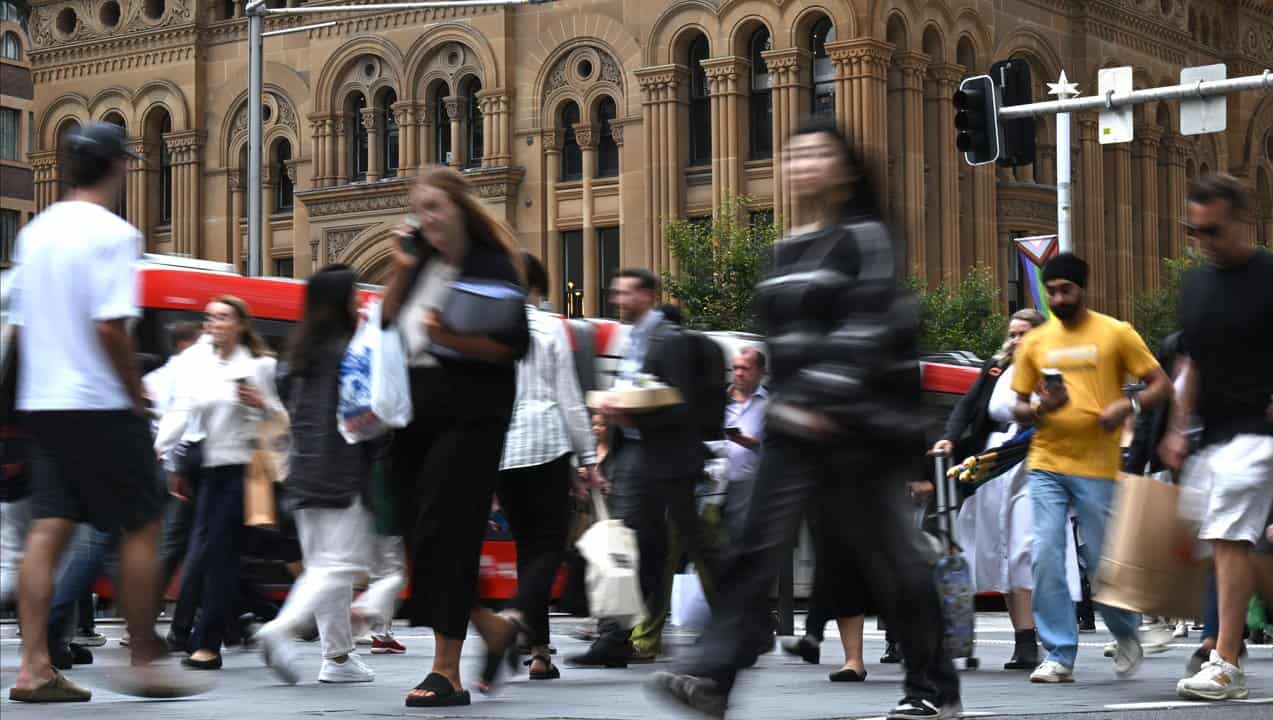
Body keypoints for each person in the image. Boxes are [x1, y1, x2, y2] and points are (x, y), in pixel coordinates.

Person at [649, 117, 960, 720]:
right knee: (751, 549)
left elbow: (867, 331)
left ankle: (932, 686)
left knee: (891, 559)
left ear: (844, 168)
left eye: (817, 154)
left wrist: (825, 402)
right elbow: (779, 346)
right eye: (794, 155)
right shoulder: (782, 250)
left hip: (854, 429)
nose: (803, 164)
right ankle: (714, 678)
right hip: (794, 428)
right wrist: (791, 407)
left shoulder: (865, 239)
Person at [8, 122, 205, 702]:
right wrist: (134, 392)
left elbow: (19, 325)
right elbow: (110, 327)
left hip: (43, 402)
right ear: (120, 166)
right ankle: (144, 656)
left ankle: (33, 667)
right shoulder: (114, 235)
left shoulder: (35, 235)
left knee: (49, 528)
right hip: (98, 400)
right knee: (141, 522)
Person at [378, 167, 529, 707]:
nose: (427, 218)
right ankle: (492, 626)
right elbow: (387, 322)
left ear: (460, 208)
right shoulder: (420, 260)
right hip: (415, 410)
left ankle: (448, 672)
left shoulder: (490, 265)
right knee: (419, 533)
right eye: (420, 208)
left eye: (435, 207)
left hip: (470, 412)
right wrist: (399, 269)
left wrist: (450, 337)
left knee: (450, 529)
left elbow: (513, 347)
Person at [1009, 252, 1171, 684]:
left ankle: (1125, 632)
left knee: (1102, 563)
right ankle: (1059, 653)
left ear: (1083, 289)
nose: (1058, 298)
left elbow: (1160, 383)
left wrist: (1127, 404)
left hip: (1097, 466)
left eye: (1066, 290)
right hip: (1045, 461)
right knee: (1045, 553)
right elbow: (1018, 404)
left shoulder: (1115, 332)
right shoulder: (1037, 343)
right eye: (1052, 291)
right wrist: (1040, 405)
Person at [254, 264, 403, 685]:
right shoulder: (350, 351)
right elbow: (368, 415)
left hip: (302, 470)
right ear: (342, 301)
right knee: (338, 566)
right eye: (353, 294)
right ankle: (279, 630)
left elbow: (284, 402)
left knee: (324, 565)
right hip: (341, 468)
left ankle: (336, 658)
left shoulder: (296, 355)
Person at [567, 268, 720, 669]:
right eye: (615, 292)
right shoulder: (633, 338)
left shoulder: (668, 340)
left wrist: (631, 411)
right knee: (637, 549)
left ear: (649, 295)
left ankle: (742, 622)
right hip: (637, 455)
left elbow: (680, 403)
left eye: (627, 293)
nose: (618, 300)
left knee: (684, 547)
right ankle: (616, 636)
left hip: (665, 455)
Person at [1164, 174, 1273, 701]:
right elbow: (1191, 361)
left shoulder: (1270, 276)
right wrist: (1177, 427)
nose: (1204, 240)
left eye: (1213, 229)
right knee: (1230, 544)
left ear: (1241, 221)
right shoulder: (1197, 285)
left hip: (1261, 430)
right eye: (1194, 230)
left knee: (1230, 533)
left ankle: (1224, 659)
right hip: (1215, 434)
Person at [483, 252, 599, 682]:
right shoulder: (550, 328)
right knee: (549, 546)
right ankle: (514, 619)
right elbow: (569, 398)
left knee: (525, 550)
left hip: (504, 451)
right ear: (537, 286)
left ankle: (538, 652)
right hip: (547, 443)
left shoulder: (490, 330)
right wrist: (588, 459)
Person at [155, 295, 286, 671]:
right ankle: (255, 623)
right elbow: (182, 411)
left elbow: (280, 418)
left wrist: (261, 403)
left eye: (223, 317)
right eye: (210, 317)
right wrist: (160, 448)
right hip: (211, 471)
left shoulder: (260, 366)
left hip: (245, 472)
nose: (214, 323)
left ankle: (208, 644)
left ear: (241, 324)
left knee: (218, 557)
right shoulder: (201, 366)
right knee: (214, 557)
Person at [933, 308, 1054, 671]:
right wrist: (948, 440)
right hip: (993, 466)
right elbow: (967, 407)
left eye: (1024, 334)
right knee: (999, 550)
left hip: (1034, 463)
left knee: (1024, 549)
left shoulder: (1054, 372)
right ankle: (1024, 642)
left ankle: (1039, 634)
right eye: (1013, 334)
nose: (1016, 340)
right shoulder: (995, 368)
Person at [722, 348, 767, 542]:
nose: (739, 373)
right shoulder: (720, 399)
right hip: (713, 487)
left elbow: (778, 451)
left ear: (761, 372)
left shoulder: (769, 404)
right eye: (736, 368)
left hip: (748, 488)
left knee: (740, 541)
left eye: (746, 368)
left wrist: (752, 443)